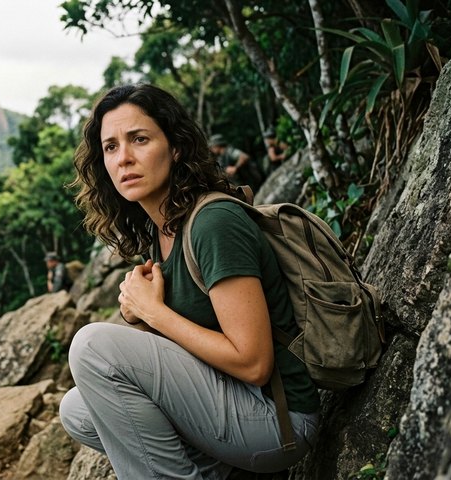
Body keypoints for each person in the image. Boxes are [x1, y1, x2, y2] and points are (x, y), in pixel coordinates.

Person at [59, 84, 319, 479]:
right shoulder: (160, 233)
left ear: (175, 147)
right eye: (110, 147)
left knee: (92, 346)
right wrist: (145, 319)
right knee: (77, 411)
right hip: (230, 402)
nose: (124, 158)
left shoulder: (213, 223)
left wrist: (154, 312)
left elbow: (254, 363)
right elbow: (189, 349)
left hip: (277, 420)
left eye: (139, 139)